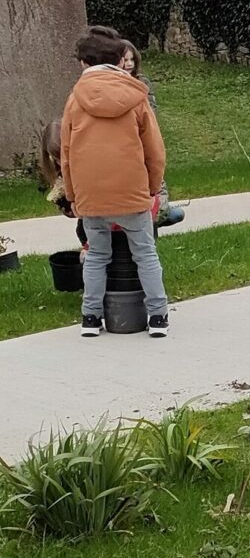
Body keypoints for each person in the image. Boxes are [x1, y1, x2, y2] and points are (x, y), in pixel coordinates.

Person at [60, 33, 170, 338]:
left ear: (84, 63)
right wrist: (151, 188)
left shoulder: (74, 100)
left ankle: (91, 318)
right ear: (119, 60)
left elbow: (66, 155)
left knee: (97, 255)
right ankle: (158, 316)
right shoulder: (136, 96)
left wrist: (72, 196)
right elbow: (155, 150)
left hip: (91, 195)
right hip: (131, 192)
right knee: (145, 254)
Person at [119, 39, 185, 227]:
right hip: (129, 143)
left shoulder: (142, 84)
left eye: (132, 59)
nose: (129, 64)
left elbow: (151, 113)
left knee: (154, 174)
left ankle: (159, 212)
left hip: (144, 136)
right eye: (125, 60)